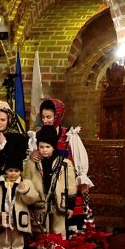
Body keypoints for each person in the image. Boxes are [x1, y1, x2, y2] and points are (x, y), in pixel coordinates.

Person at [28, 99, 93, 233]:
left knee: (67, 223)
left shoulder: (69, 135)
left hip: (66, 182)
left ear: (57, 116)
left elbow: (78, 158)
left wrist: (81, 177)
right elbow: (31, 158)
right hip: (45, 183)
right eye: (43, 117)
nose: (45, 121)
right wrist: (32, 154)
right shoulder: (37, 135)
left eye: (49, 117)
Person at [25, 125, 78, 241]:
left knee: (58, 233)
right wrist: (28, 205)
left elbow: (71, 186)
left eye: (47, 147)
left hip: (58, 205)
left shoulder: (65, 164)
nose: (44, 150)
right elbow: (27, 184)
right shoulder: (32, 164)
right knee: (40, 234)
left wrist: (70, 206)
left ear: (53, 147)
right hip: (39, 206)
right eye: (41, 147)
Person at [0, 154, 39, 249]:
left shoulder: (26, 183)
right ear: (6, 170)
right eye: (10, 170)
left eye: (16, 171)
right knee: (4, 240)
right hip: (3, 216)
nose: (13, 174)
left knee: (18, 240)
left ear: (21, 171)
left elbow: (33, 198)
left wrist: (25, 190)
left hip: (19, 217)